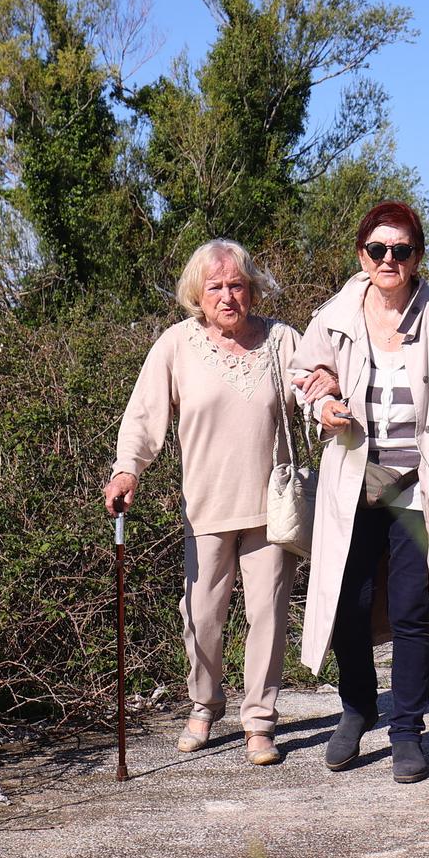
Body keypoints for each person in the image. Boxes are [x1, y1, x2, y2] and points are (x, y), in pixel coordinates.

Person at [293, 201, 429, 783]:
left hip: (420, 486)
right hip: (353, 481)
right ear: (361, 253)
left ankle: (408, 731)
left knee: (414, 609)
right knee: (349, 602)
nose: (389, 260)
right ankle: (357, 709)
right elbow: (303, 376)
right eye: (378, 250)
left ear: (417, 256)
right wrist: (323, 403)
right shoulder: (336, 314)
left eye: (402, 250)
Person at [103, 239, 300, 766]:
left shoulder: (281, 341)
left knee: (267, 615)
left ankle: (259, 722)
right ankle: (204, 706)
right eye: (215, 286)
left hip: (271, 508)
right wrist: (127, 470)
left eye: (237, 285)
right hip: (207, 507)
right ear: (197, 292)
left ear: (252, 289)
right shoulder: (177, 345)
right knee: (202, 616)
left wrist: (329, 400)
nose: (227, 296)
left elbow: (314, 386)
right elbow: (144, 416)